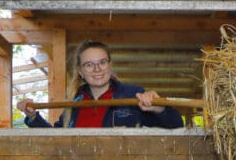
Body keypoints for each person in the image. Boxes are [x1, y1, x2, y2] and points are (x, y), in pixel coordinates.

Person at [18, 40, 184, 129]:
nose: (97, 69)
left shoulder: (132, 95)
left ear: (110, 65)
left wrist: (158, 108)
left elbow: (176, 125)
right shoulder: (74, 103)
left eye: (102, 62)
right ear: (80, 71)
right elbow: (56, 140)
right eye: (89, 64)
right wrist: (33, 117)